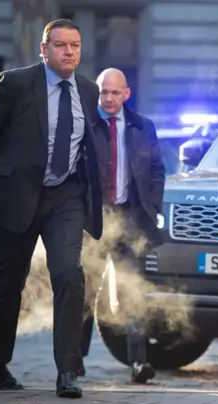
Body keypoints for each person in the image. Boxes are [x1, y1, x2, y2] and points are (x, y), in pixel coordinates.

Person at [0, 19, 103, 399]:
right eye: (60, 45)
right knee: (8, 283)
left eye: (75, 45)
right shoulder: (16, 83)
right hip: (17, 195)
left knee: (70, 275)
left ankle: (68, 371)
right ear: (44, 49)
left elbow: (90, 146)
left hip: (65, 198)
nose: (69, 52)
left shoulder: (88, 91)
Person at [78, 68, 165, 384]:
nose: (110, 98)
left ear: (126, 94)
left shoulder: (143, 127)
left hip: (130, 219)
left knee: (133, 289)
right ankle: (75, 360)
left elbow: (157, 170)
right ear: (97, 93)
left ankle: (139, 362)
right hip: (93, 219)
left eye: (116, 93)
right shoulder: (86, 125)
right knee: (84, 289)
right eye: (104, 92)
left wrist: (151, 207)